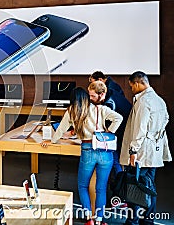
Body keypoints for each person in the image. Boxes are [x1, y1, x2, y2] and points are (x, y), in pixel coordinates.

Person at [42, 87, 123, 225]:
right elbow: (118, 118)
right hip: (105, 151)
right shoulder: (100, 109)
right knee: (101, 188)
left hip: (87, 150)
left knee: (83, 186)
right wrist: (109, 132)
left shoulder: (72, 111)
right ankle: (99, 220)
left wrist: (51, 141)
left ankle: (88, 218)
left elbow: (61, 130)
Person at [120, 71, 171, 225]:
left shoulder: (143, 102)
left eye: (131, 87)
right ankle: (148, 220)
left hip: (141, 152)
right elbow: (166, 119)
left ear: (137, 83)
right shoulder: (159, 100)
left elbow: (139, 129)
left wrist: (133, 151)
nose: (131, 90)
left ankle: (132, 221)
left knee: (135, 186)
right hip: (154, 151)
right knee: (149, 187)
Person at [88, 81, 132, 177]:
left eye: (93, 96)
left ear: (102, 94)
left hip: (122, 133)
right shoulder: (112, 92)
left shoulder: (109, 103)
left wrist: (108, 132)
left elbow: (117, 119)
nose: (90, 99)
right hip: (125, 131)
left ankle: (120, 184)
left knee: (116, 160)